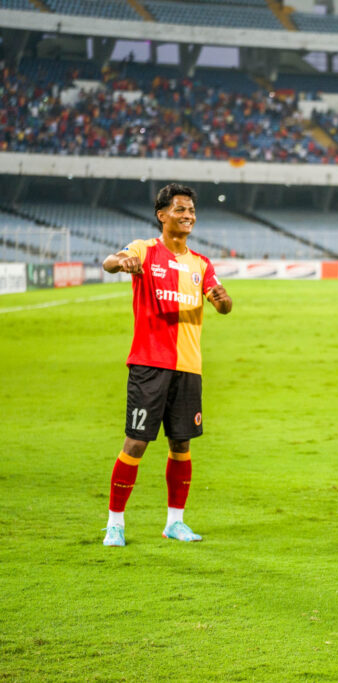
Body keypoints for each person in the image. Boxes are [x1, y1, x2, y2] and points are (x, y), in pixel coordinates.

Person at [101, 183, 232, 547]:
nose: (188, 216)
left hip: (189, 367)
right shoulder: (144, 250)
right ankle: (115, 524)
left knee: (181, 444)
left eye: (191, 210)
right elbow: (110, 262)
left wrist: (223, 300)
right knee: (136, 443)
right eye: (180, 210)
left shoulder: (202, 264)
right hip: (149, 364)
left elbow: (223, 305)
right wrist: (121, 263)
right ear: (162, 215)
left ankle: (175, 521)